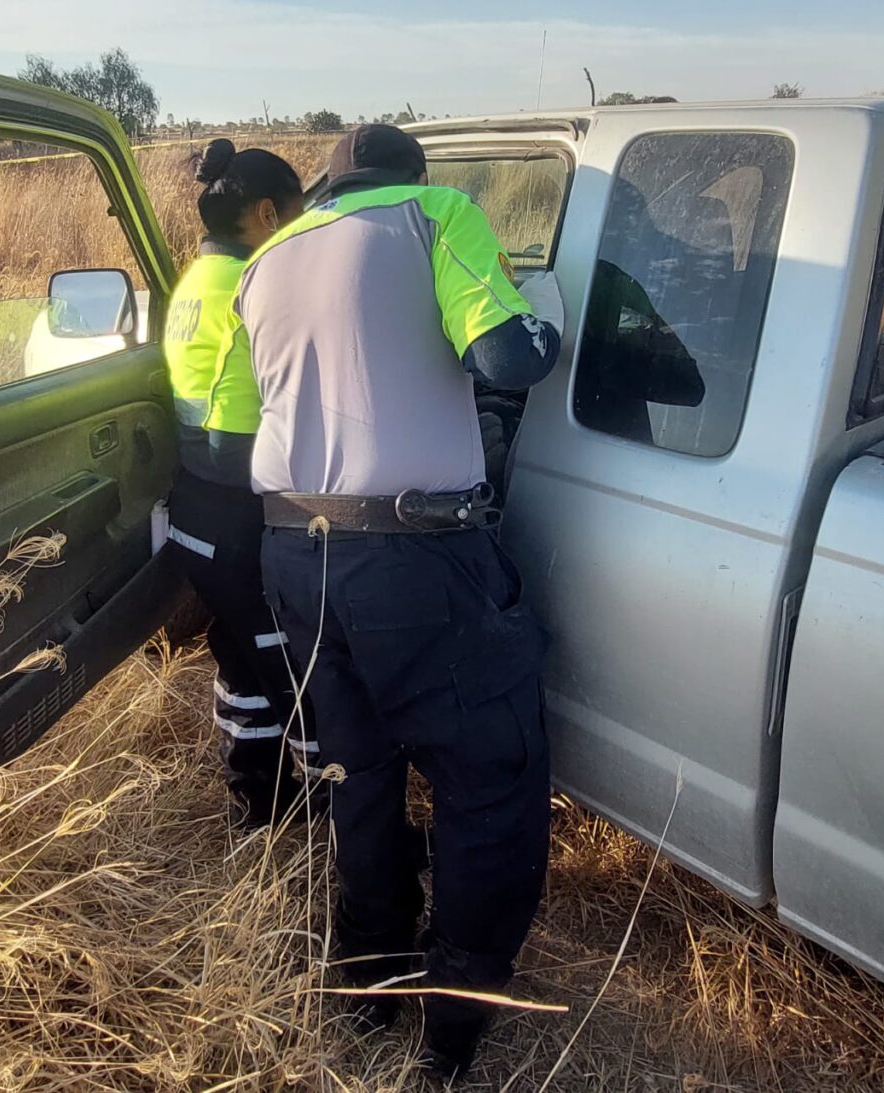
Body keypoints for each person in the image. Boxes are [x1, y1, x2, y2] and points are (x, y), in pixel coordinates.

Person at [230, 123, 564, 1076]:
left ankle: (369, 982)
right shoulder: (438, 215)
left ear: (333, 186)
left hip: (294, 551)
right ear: (410, 176)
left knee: (360, 773)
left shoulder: (268, 256)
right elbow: (508, 358)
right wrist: (548, 322)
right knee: (487, 781)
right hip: (413, 556)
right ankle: (453, 1026)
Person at [164, 138, 315, 827]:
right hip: (242, 511)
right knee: (295, 670)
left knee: (242, 655)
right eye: (295, 218)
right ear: (263, 213)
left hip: (197, 508)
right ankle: (326, 809)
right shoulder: (258, 285)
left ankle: (256, 801)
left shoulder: (193, 282)